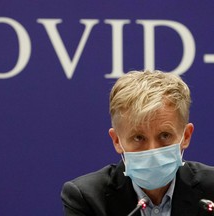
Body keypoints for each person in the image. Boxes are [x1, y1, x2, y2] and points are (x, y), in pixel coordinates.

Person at [61, 70, 214, 216]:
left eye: (165, 135)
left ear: (186, 136)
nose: (152, 150)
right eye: (138, 138)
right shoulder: (88, 198)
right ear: (117, 141)